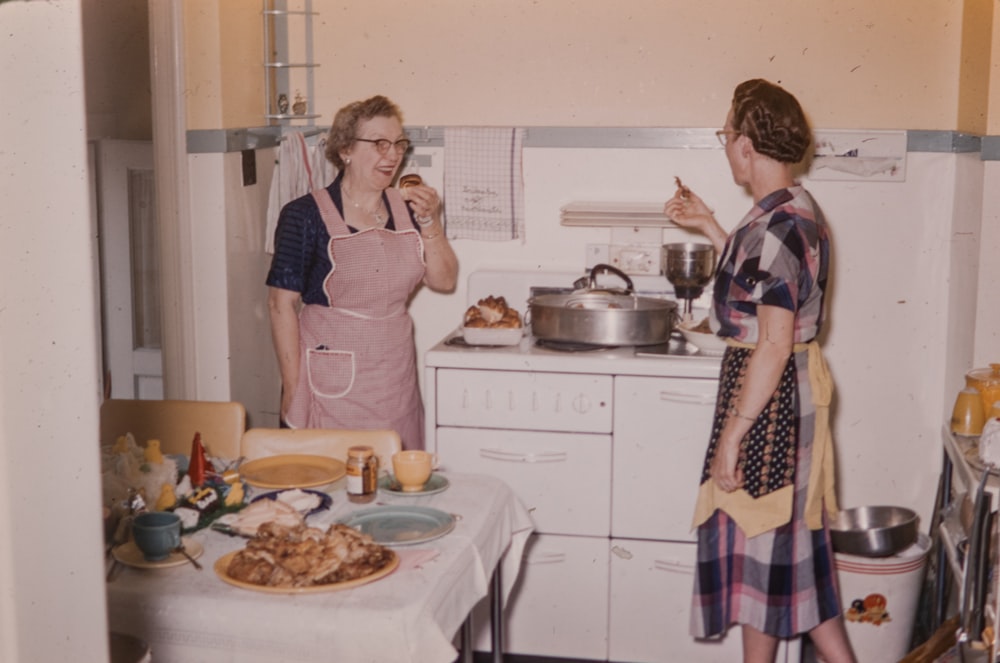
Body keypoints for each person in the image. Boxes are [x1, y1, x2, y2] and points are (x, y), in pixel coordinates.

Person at [665, 79, 857, 663]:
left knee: (769, 556)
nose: (726, 147)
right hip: (778, 395)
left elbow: (772, 344)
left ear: (747, 145)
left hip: (768, 402)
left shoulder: (780, 228)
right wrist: (709, 226)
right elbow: (762, 287)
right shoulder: (789, 210)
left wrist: (732, 434)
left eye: (727, 136)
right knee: (782, 566)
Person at [266, 95, 458, 449]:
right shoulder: (304, 215)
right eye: (380, 144)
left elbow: (444, 281)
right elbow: (280, 305)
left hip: (394, 375)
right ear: (345, 150)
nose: (393, 155)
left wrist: (431, 222)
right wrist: (293, 388)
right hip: (331, 383)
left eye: (399, 144)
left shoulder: (409, 209)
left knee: (394, 476)